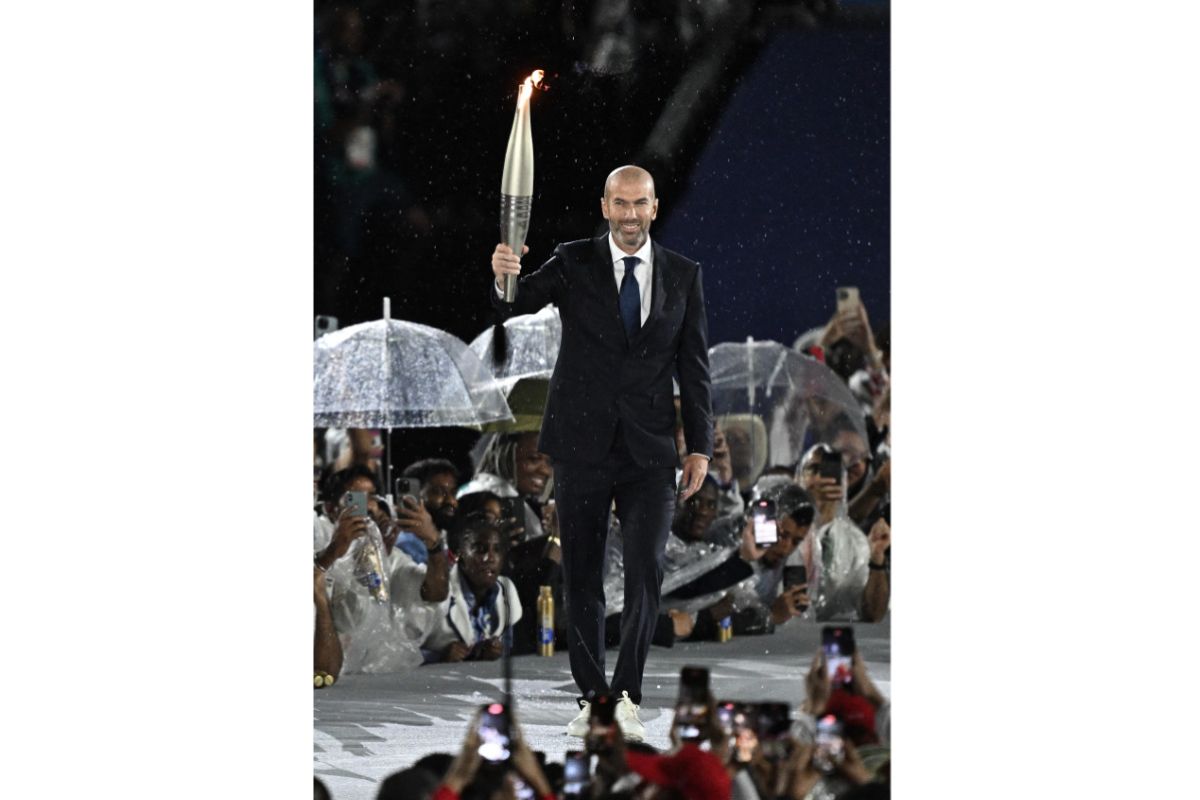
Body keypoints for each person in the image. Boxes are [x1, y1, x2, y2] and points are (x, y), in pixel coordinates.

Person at [489, 164, 714, 742]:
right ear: (605, 206)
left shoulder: (684, 276)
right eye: (621, 203)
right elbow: (517, 301)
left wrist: (701, 449)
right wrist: (504, 275)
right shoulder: (573, 261)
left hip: (650, 451)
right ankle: (593, 700)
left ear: (655, 208)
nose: (631, 214)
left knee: (645, 575)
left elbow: (695, 370)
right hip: (581, 445)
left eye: (641, 204)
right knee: (582, 578)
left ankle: (628, 697)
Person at [404, 516, 523, 663]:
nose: (490, 557)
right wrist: (438, 658)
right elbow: (405, 651)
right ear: (460, 554)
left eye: (497, 550)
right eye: (480, 549)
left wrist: (495, 651)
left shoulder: (507, 589)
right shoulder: (437, 589)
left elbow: (508, 650)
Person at [796, 445, 890, 622]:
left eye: (828, 472)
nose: (820, 478)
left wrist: (877, 559)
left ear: (843, 482)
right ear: (798, 479)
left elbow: (872, 613)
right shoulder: (781, 534)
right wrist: (808, 511)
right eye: (813, 470)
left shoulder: (856, 543)